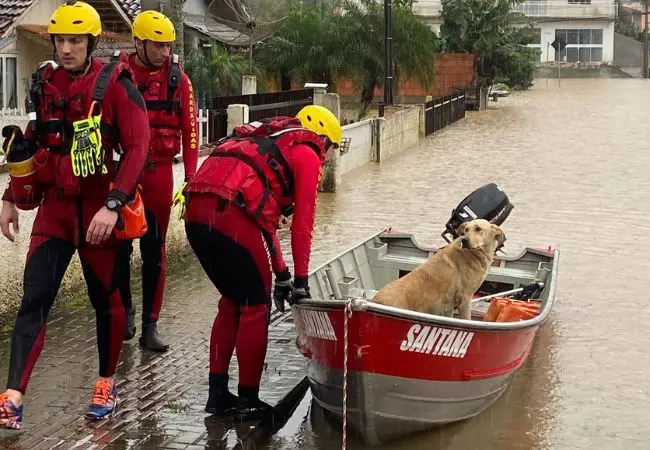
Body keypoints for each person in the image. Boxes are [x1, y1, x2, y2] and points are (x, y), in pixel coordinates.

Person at [0, 1, 149, 429]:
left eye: (75, 40)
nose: (66, 49)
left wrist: (115, 203)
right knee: (34, 299)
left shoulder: (118, 85)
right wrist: (12, 194)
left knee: (107, 301)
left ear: (92, 41)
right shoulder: (45, 83)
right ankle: (13, 396)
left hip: (101, 211)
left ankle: (106, 382)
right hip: (58, 211)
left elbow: (138, 147)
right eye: (60, 40)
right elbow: (32, 138)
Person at [180, 105, 348, 420]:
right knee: (255, 308)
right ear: (321, 138)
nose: (327, 156)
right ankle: (248, 401)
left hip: (195, 213)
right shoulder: (307, 154)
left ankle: (217, 396)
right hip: (229, 215)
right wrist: (301, 282)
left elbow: (263, 217)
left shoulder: (264, 142)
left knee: (232, 301)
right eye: (331, 147)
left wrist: (281, 273)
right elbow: (303, 226)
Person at [116, 10, 199, 352]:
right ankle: (126, 312)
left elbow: (191, 131)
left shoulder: (179, 79)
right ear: (139, 42)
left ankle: (150, 325)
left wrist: (191, 179)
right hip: (124, 173)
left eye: (168, 46)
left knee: (155, 251)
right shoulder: (117, 75)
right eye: (158, 45)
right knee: (119, 249)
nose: (165, 52)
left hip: (160, 174)